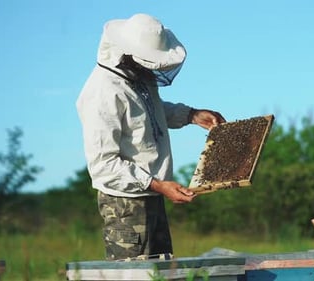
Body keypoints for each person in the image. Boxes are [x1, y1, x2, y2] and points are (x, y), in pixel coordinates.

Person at [76, 13, 226, 260]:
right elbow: (104, 165)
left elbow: (149, 111)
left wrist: (191, 115)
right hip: (125, 205)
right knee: (136, 276)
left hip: (152, 196)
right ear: (129, 55)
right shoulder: (102, 94)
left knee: (162, 273)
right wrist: (158, 185)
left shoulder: (134, 78)